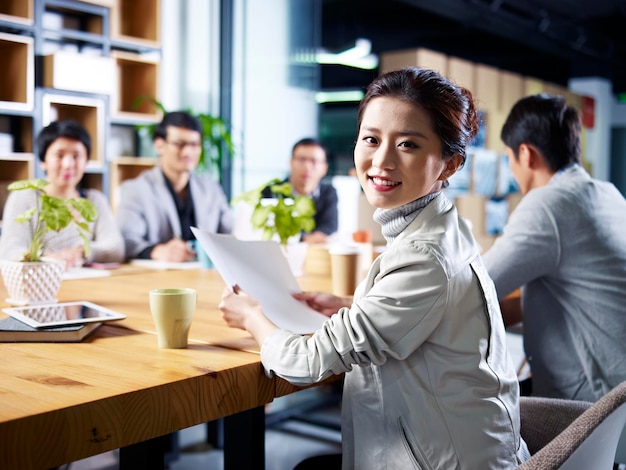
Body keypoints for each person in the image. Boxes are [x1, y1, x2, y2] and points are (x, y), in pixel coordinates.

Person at [219, 67, 528, 469]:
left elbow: (307, 362)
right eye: (371, 139)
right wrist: (351, 303)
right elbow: (432, 308)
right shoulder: (444, 227)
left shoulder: (425, 254)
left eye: (408, 145)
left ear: (449, 165)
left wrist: (251, 318)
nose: (380, 161)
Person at [482, 94, 626, 402]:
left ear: (526, 153)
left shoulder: (549, 204)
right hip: (614, 390)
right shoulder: (606, 193)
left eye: (509, 158)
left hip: (596, 404)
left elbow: (477, 284)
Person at [0, 120, 124, 267]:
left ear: (86, 163)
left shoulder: (95, 199)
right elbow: (9, 249)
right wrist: (44, 259)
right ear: (43, 160)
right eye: (59, 155)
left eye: (76, 156)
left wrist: (81, 251)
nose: (68, 164)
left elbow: (116, 248)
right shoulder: (24, 197)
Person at [116, 111, 233, 261]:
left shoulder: (211, 188)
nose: (188, 152)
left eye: (194, 145)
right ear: (159, 145)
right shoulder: (136, 189)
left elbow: (230, 232)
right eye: (180, 144)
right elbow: (126, 242)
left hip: (205, 274)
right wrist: (157, 251)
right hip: (161, 277)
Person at [262, 138, 338, 243]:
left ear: (324, 168)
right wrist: (303, 238)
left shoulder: (328, 193)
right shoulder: (272, 191)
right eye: (301, 160)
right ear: (291, 162)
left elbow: (330, 225)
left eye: (314, 161)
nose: (307, 167)